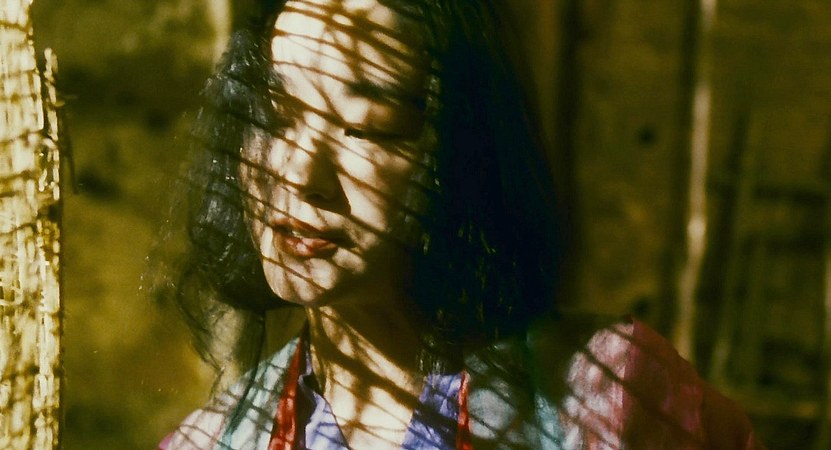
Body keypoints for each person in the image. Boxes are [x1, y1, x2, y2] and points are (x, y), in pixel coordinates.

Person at [155, 0, 766, 448]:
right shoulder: (211, 440)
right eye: (275, 118)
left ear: (455, 152)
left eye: (365, 126)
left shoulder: (609, 396)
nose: (300, 174)